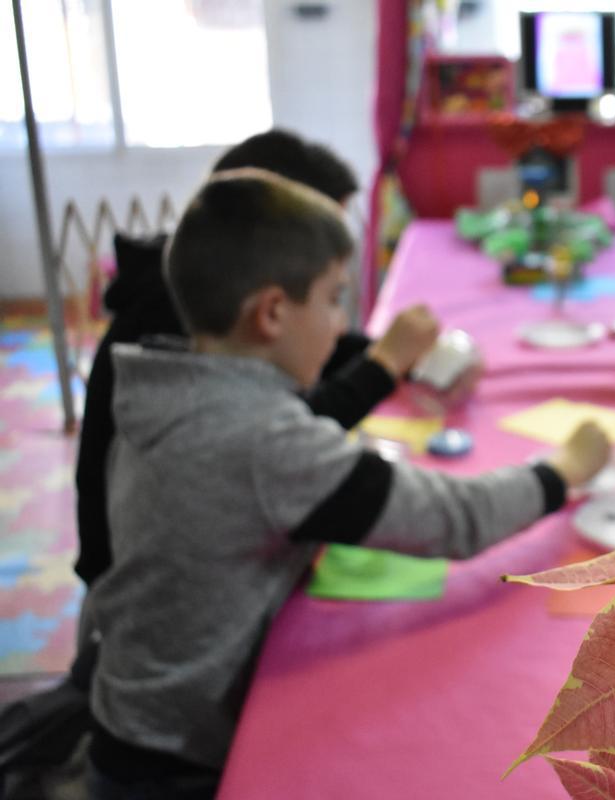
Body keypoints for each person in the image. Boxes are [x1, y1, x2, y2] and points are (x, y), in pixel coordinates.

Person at [83, 170, 611, 797]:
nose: (341, 325)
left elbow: (279, 448)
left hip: (131, 721)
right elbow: (455, 519)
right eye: (334, 299)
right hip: (179, 759)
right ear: (272, 313)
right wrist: (562, 471)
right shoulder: (265, 443)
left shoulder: (172, 384)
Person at [76, 129, 392, 589]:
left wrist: (386, 355)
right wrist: (383, 368)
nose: (338, 318)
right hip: (142, 582)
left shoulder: (206, 290)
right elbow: (287, 437)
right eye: (330, 288)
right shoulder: (173, 317)